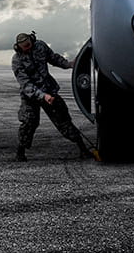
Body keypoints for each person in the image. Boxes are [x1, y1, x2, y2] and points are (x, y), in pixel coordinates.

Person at [12, 31, 100, 162]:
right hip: (31, 96)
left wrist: (69, 64)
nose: (28, 48)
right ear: (18, 47)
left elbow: (53, 58)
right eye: (25, 47)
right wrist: (43, 96)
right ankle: (20, 152)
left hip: (48, 89)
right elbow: (26, 84)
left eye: (29, 44)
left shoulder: (40, 46)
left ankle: (83, 149)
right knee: (29, 122)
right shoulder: (17, 60)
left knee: (64, 120)